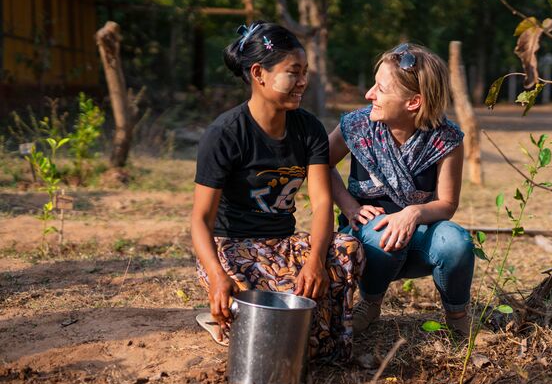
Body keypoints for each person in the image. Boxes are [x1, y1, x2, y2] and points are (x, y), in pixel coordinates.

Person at [191, 21, 364, 361]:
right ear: (259, 74)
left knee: (348, 249)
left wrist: (314, 261)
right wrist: (216, 275)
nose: (302, 82)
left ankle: (263, 319)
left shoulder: (309, 129)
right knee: (287, 312)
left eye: (305, 73)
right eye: (293, 73)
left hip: (283, 245)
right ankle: (225, 317)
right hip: (233, 250)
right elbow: (199, 219)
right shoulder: (225, 133)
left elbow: (321, 203)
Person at [328, 43, 474, 335]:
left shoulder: (446, 139)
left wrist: (413, 213)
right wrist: (349, 206)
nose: (369, 94)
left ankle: (458, 316)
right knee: (384, 234)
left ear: (413, 102)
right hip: (367, 240)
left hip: (420, 239)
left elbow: (447, 204)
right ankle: (370, 304)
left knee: (457, 241)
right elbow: (321, 165)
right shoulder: (357, 126)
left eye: (380, 89)